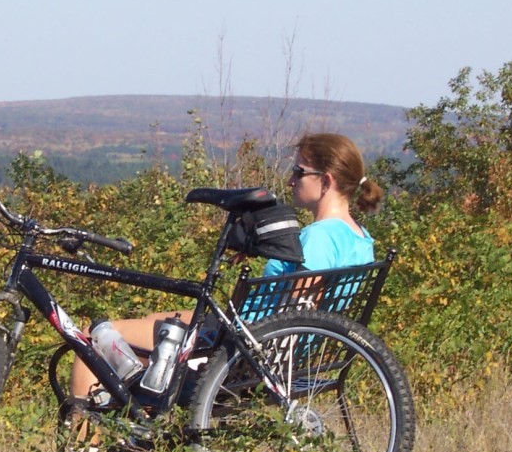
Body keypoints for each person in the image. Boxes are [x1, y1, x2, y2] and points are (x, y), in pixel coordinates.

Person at [68, 131, 384, 402]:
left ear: (326, 181)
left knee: (92, 342)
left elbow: (297, 306)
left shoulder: (319, 237)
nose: (290, 180)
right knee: (156, 320)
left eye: (300, 171)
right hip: (279, 348)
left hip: (250, 349)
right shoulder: (359, 239)